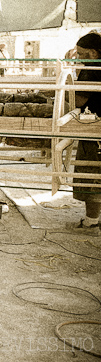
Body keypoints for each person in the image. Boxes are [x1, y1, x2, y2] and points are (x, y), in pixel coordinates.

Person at [70, 32, 101, 232]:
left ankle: (91, 221)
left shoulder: (92, 68)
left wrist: (61, 92)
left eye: (81, 54)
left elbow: (78, 101)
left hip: (93, 125)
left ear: (91, 53)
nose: (78, 57)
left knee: (91, 172)